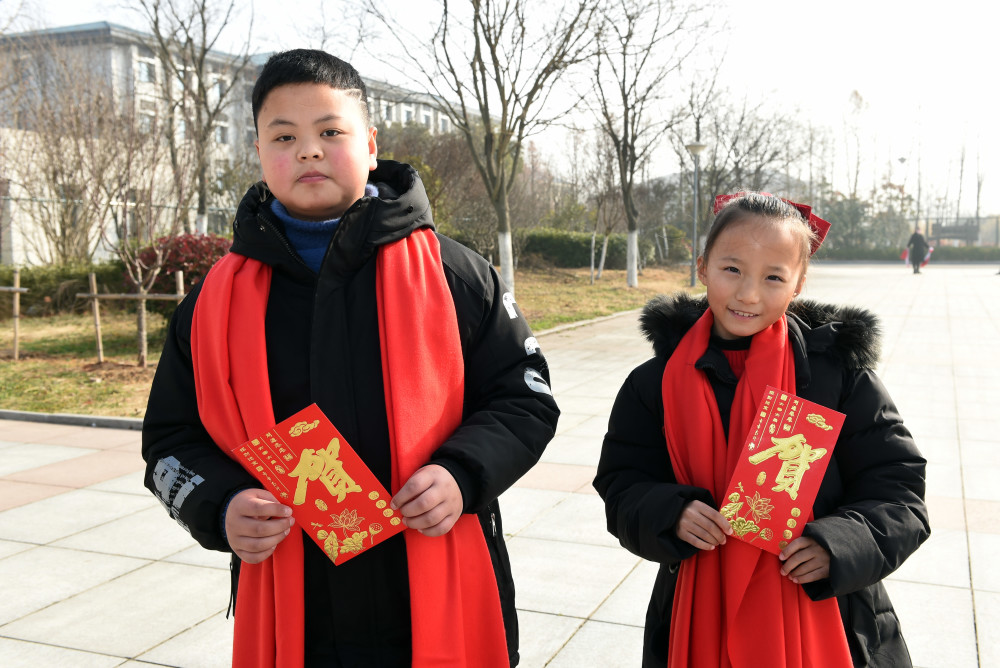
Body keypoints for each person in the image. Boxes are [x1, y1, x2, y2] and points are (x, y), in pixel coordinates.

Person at [142, 49, 559, 668]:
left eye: (330, 132)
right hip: (296, 607)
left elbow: (525, 398)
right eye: (284, 136)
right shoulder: (211, 305)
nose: (308, 150)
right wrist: (221, 505)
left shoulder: (457, 275)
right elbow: (170, 440)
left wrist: (462, 473)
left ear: (369, 142)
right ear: (259, 152)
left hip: (433, 586)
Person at [594, 192, 929, 667]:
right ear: (703, 266)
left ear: (798, 283)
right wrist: (670, 513)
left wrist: (839, 544)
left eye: (773, 277)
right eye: (732, 269)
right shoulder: (656, 382)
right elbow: (621, 482)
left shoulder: (837, 377)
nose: (749, 294)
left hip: (825, 614)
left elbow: (900, 492)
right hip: (697, 613)